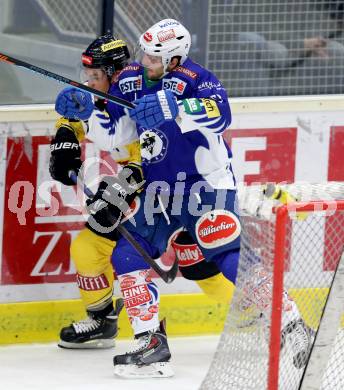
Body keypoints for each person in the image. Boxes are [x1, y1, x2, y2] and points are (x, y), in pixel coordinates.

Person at [54, 19, 312, 378]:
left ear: (175, 59)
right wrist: (92, 111)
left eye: (154, 57)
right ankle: (151, 345)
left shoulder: (197, 79)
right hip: (161, 192)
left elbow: (221, 116)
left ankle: (293, 326)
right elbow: (117, 136)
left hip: (205, 186)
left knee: (228, 258)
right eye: (144, 53)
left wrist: (176, 109)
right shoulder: (130, 78)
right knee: (128, 254)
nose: (144, 62)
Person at [50, 34, 235, 350]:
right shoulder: (104, 91)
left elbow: (146, 159)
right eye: (87, 76)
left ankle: (262, 314)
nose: (89, 82)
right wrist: (65, 136)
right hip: (141, 194)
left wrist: (118, 193)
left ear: (116, 72)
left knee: (204, 270)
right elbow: (82, 112)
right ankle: (102, 319)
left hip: (169, 189)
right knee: (87, 249)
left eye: (96, 76)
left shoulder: (142, 93)